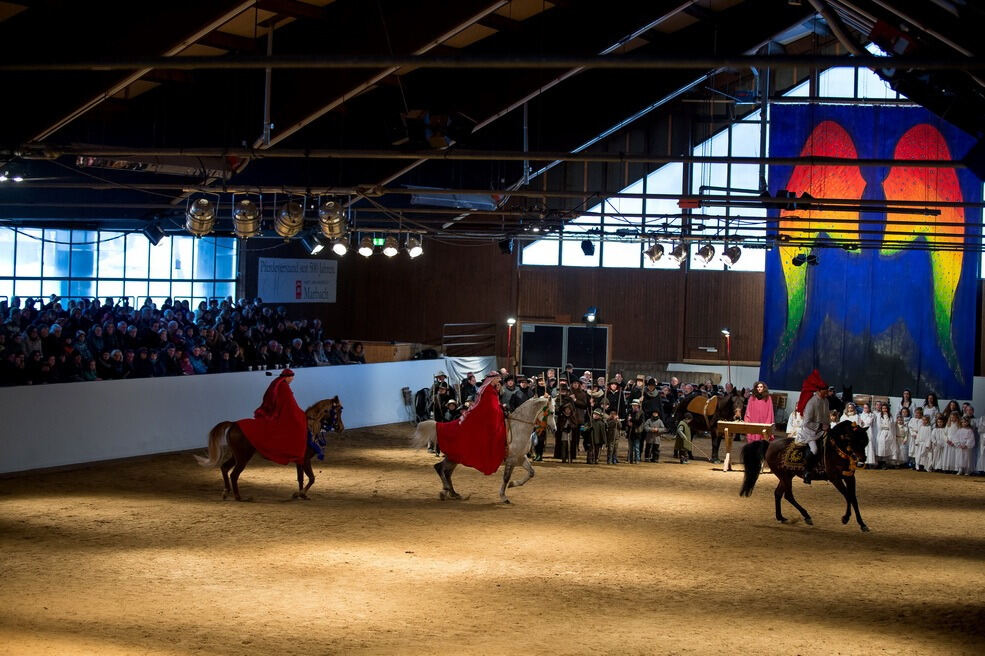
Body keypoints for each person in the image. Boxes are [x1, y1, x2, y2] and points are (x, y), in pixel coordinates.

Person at [235, 368, 309, 465]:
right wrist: (300, 414)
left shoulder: (278, 384)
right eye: (291, 377)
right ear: (287, 377)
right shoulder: (284, 387)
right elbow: (290, 405)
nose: (292, 379)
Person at [794, 370, 829, 485]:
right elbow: (807, 422)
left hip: (823, 430)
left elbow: (826, 416)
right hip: (810, 432)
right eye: (825, 390)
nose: (827, 392)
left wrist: (827, 425)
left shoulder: (826, 401)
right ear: (819, 390)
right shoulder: (811, 403)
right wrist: (820, 426)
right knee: (814, 450)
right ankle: (807, 472)